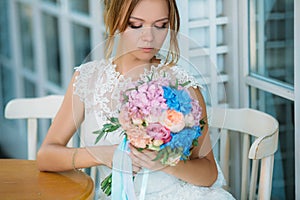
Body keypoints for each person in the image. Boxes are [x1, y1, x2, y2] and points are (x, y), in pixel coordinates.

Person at [37, 0, 235, 199]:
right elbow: (46, 156)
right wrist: (101, 154)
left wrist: (167, 163)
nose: (149, 37)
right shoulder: (88, 78)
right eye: (136, 25)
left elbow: (209, 173)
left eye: (160, 25)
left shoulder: (183, 86)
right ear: (114, 20)